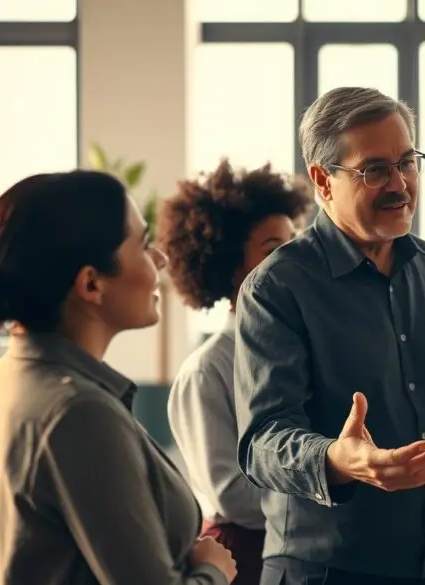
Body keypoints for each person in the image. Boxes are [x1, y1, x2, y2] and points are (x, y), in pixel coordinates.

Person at [0, 171, 237, 585]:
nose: (160, 259)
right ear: (92, 283)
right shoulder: (79, 415)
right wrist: (214, 571)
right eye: (143, 244)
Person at [231, 87, 425, 585]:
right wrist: (336, 459)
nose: (400, 184)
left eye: (408, 162)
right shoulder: (277, 287)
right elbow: (261, 443)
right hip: (327, 571)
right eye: (375, 169)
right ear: (323, 180)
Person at [159, 160, 314, 585]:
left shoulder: (305, 352)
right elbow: (231, 494)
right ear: (229, 265)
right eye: (272, 248)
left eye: (294, 243)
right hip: (241, 559)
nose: (291, 260)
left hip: (304, 550)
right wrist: (326, 486)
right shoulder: (206, 370)